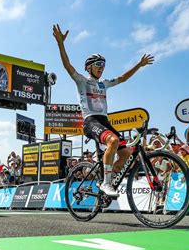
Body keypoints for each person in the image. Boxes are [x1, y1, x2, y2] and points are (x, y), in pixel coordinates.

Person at [52, 24, 154, 197]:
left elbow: (122, 78)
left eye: (104, 64)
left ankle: (108, 181)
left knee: (126, 154)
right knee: (113, 141)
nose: (102, 67)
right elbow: (67, 66)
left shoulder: (103, 84)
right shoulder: (82, 81)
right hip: (91, 121)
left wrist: (139, 64)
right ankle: (106, 184)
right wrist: (61, 44)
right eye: (98, 64)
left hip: (105, 121)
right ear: (89, 67)